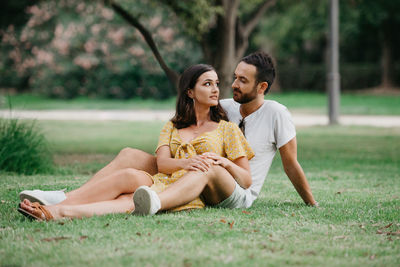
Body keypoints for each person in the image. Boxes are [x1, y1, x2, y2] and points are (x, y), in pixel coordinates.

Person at [18, 64, 254, 220]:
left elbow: (245, 180)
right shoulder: (173, 126)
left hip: (215, 186)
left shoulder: (227, 129)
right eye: (207, 84)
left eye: (215, 83)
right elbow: (162, 165)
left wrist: (222, 161)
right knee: (128, 184)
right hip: (174, 180)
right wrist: (185, 163)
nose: (215, 89)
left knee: (205, 167)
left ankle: (156, 202)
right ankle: (56, 208)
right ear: (190, 92)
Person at [132, 51, 317, 214]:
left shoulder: (276, 114)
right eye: (236, 77)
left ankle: (157, 202)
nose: (234, 84)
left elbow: (291, 164)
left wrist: (311, 203)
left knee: (209, 167)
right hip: (200, 177)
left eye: (243, 80)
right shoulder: (224, 107)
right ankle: (109, 194)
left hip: (238, 189)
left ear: (262, 87)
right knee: (133, 156)